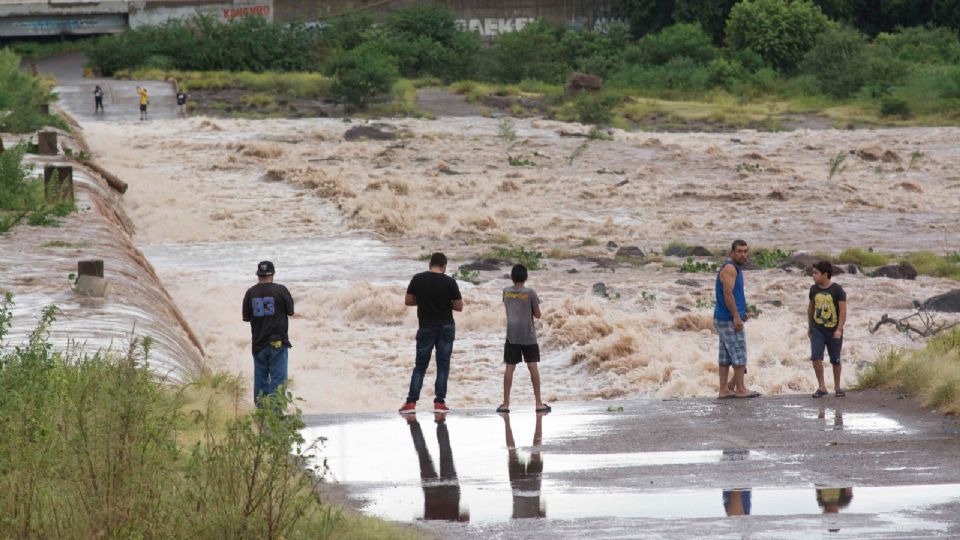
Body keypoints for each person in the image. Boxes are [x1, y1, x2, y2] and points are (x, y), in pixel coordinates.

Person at [399, 253, 463, 414]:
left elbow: (408, 301)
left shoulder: (418, 279)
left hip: (426, 327)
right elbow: (459, 306)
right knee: (443, 366)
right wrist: (445, 303)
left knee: (420, 366)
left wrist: (423, 300)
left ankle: (411, 402)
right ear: (444, 266)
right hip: (446, 327)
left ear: (430, 264)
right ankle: (439, 403)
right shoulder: (450, 282)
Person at [497, 264, 550, 413]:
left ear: (512, 277)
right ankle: (538, 403)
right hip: (528, 334)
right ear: (526, 278)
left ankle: (506, 404)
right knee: (532, 366)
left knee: (509, 367)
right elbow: (538, 314)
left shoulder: (506, 292)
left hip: (512, 334)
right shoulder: (530, 293)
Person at [242, 260, 295, 407]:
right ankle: (276, 413)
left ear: (258, 275)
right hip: (277, 342)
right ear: (273, 274)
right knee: (278, 378)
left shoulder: (250, 293)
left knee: (261, 378)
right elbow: (290, 311)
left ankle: (261, 413)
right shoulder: (281, 290)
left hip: (259, 343)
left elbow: (246, 318)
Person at [715, 239, 760, 399]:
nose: (743, 254)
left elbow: (736, 294)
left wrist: (743, 312)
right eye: (740, 251)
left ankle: (724, 390)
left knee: (725, 356)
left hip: (725, 317)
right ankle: (740, 389)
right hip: (728, 318)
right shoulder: (729, 268)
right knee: (739, 353)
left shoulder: (734, 268)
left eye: (745, 251)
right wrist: (736, 316)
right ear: (732, 252)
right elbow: (728, 294)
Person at [405, 414, 468, 521]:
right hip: (432, 498)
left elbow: (466, 517)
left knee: (446, 454)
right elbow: (418, 521)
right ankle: (413, 422)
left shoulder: (452, 529)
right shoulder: (433, 528)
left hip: (451, 496)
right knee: (423, 455)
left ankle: (440, 422)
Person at [809, 261, 847, 398]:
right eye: (813, 273)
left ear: (825, 274)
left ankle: (837, 387)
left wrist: (839, 329)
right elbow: (811, 308)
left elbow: (843, 311)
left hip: (834, 330)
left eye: (816, 273)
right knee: (816, 357)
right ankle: (822, 387)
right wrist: (810, 327)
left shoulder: (837, 290)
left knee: (835, 360)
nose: (813, 276)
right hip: (818, 329)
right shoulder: (813, 289)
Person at [501, 411, 547, 518]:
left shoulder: (521, 522)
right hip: (521, 488)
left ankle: (507, 420)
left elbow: (542, 513)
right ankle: (538, 418)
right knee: (515, 452)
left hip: (530, 486)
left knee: (533, 452)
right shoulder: (517, 522)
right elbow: (542, 513)